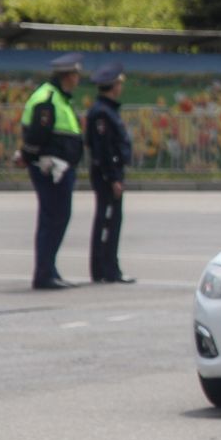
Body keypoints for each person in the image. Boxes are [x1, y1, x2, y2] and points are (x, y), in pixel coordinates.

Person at [18, 53, 85, 290]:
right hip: (50, 169)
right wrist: (30, 156)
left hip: (60, 168)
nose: (78, 79)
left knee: (57, 218)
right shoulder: (47, 98)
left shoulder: (58, 97)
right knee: (53, 219)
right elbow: (37, 134)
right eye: (76, 74)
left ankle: (49, 270)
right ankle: (45, 274)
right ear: (68, 76)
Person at [84, 62, 135, 284]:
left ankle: (107, 268)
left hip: (111, 173)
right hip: (107, 176)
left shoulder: (107, 110)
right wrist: (112, 177)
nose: (120, 88)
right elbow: (103, 149)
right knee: (107, 222)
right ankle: (106, 270)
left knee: (110, 221)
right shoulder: (102, 113)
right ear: (113, 86)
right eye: (119, 84)